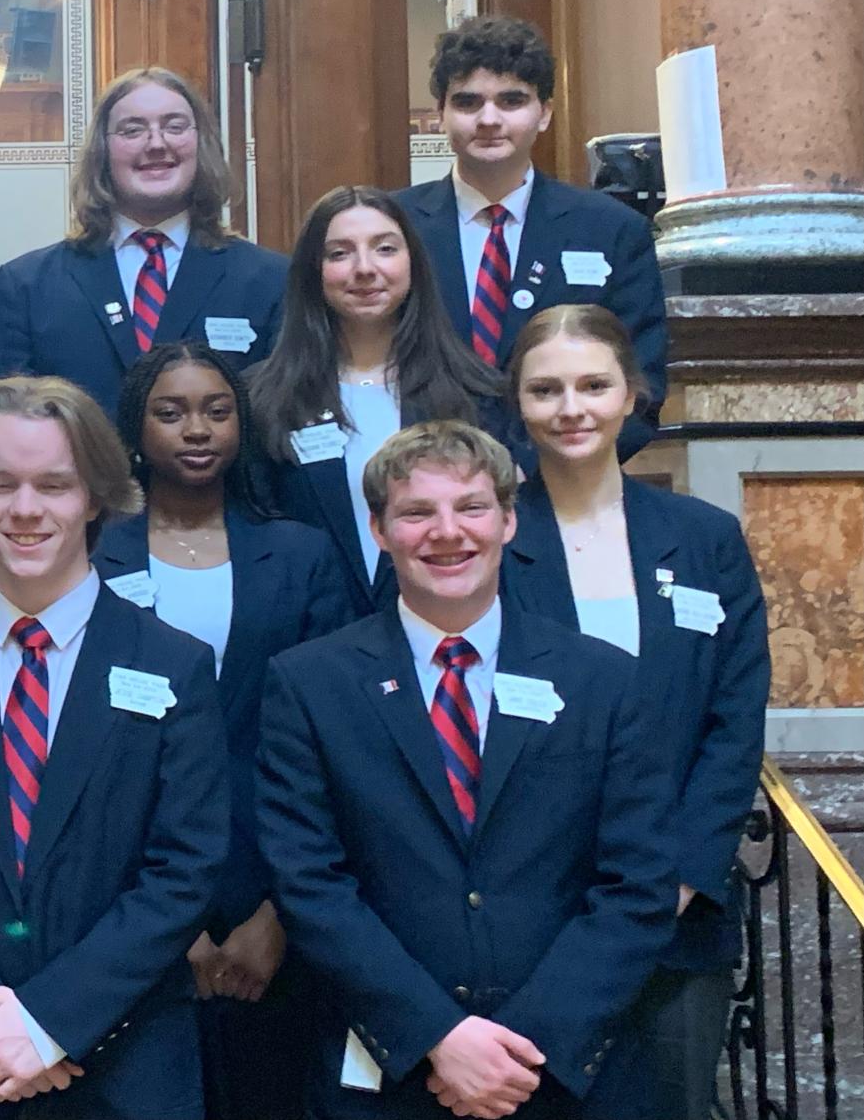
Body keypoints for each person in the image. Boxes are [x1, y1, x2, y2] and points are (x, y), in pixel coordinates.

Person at [258, 421, 678, 1119]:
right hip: (388, 1074)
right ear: (378, 529)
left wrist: (520, 1045)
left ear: (508, 520)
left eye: (471, 507)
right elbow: (308, 885)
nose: (446, 532)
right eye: (416, 511)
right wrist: (436, 1035)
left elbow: (636, 884)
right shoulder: (308, 684)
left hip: (563, 1074)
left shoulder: (602, 680)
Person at [0, 375, 231, 1119]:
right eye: (0, 483)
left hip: (124, 1063)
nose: (24, 509)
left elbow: (183, 870)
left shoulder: (173, 665)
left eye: (53, 485)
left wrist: (50, 1023)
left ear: (94, 494)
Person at [502, 306, 769, 1120]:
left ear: (631, 395)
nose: (570, 407)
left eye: (592, 384)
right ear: (517, 403)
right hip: (531, 916)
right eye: (545, 389)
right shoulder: (484, 536)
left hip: (674, 920)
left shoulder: (703, 538)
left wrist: (679, 877)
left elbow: (733, 719)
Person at [97, 341, 352, 1119]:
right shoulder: (89, 553)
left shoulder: (301, 555)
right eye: (169, 412)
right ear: (135, 432)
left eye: (215, 410)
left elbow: (338, 740)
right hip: (125, 884)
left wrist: (276, 914)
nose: (196, 429)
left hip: (272, 881)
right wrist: (167, 929)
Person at [394, 16, 667, 461]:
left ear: (544, 114)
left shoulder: (612, 230)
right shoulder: (395, 227)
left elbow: (643, 385)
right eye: (467, 103)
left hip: (563, 487)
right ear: (440, 113)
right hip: (424, 487)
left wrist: (539, 474)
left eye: (511, 101)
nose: (488, 120)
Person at [250, 186, 502, 618]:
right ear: (313, 271)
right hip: (309, 643)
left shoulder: (476, 394)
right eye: (340, 254)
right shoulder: (263, 401)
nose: (364, 269)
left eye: (384, 249)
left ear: (413, 264)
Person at [0, 66, 287, 419]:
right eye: (133, 130)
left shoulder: (269, 280)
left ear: (202, 143)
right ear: (103, 150)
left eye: (175, 127)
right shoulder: (28, 286)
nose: (157, 143)